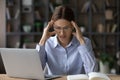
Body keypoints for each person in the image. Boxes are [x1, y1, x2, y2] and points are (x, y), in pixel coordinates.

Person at [36, 5, 98, 75]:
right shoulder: (47, 43)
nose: (62, 33)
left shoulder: (85, 42)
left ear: (73, 26)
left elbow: (93, 71)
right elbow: (36, 71)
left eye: (66, 28)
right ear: (52, 26)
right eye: (58, 28)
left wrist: (81, 41)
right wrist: (42, 40)